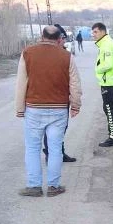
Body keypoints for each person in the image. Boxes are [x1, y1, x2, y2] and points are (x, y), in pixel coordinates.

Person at [15, 25, 82, 197]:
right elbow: (74, 84)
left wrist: (20, 108)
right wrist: (75, 105)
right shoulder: (67, 56)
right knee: (55, 148)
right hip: (59, 110)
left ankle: (34, 186)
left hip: (34, 108)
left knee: (32, 148)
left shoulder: (27, 53)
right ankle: (53, 186)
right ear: (59, 38)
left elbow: (21, 82)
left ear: (41, 36)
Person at [42, 23, 77, 163]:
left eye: (64, 37)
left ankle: (58, 152)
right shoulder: (49, 54)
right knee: (52, 128)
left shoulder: (63, 53)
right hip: (52, 96)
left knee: (60, 127)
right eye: (62, 37)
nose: (63, 40)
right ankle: (52, 153)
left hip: (60, 95)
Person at [92, 22, 113, 147]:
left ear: (102, 31)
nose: (93, 35)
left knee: (108, 109)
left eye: (95, 32)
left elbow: (108, 64)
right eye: (93, 32)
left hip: (108, 82)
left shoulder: (106, 45)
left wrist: (97, 68)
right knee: (110, 108)